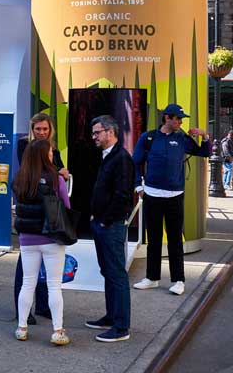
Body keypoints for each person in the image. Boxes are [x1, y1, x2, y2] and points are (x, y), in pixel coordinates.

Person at [132, 104, 212, 297]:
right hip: (152, 195)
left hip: (175, 196)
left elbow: (204, 153)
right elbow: (135, 162)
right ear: (167, 118)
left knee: (175, 240)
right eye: (178, 118)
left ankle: (178, 280)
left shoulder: (182, 138)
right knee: (154, 239)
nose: (181, 122)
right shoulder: (148, 138)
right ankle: (152, 278)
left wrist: (205, 136)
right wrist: (138, 186)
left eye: (181, 119)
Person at [11, 138, 71, 346]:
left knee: (28, 282)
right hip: (51, 236)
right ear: (44, 156)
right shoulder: (56, 179)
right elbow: (66, 205)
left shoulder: (20, 178)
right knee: (54, 285)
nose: (52, 155)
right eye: (50, 153)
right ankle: (57, 331)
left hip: (27, 238)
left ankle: (21, 328)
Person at [87, 115, 136, 343]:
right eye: (93, 133)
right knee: (108, 271)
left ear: (110, 132)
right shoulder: (108, 156)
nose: (94, 137)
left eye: (97, 132)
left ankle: (121, 327)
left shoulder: (121, 158)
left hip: (111, 226)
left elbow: (123, 195)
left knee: (116, 274)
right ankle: (111, 317)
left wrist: (105, 221)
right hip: (102, 223)